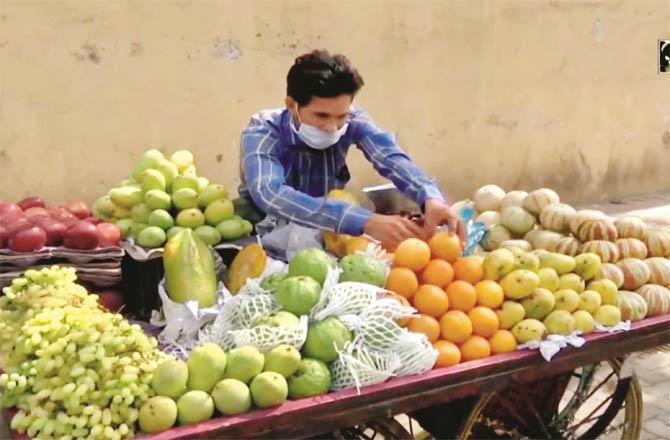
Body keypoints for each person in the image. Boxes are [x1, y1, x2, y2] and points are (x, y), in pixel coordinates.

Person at [238, 49, 466, 253]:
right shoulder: (263, 130)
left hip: (329, 232)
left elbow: (390, 157)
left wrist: (429, 197)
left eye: (341, 116)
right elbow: (271, 194)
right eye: (321, 116)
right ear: (292, 106)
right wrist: (363, 221)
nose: (332, 127)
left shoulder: (353, 119)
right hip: (265, 237)